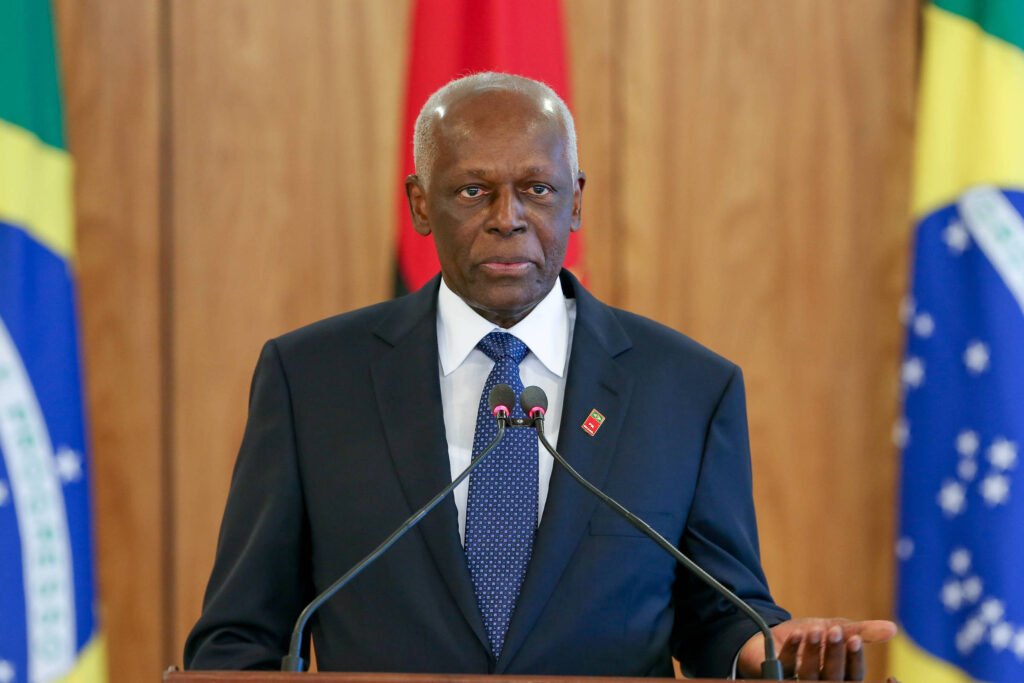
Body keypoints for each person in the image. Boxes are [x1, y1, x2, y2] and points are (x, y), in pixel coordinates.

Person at [184, 72, 896, 679]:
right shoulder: (313, 381)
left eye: (537, 189)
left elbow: (720, 611)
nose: (509, 218)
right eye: (473, 191)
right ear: (421, 203)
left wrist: (770, 653)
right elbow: (241, 633)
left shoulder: (686, 389)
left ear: (576, 201)